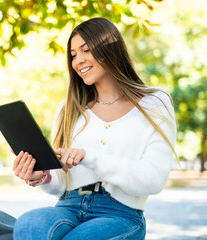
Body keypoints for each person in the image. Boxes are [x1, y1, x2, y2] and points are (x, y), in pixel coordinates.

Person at [12, 17, 177, 240]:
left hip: (120, 213)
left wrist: (89, 157)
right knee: (29, 224)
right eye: (73, 55)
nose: (78, 61)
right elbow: (61, 183)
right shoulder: (68, 108)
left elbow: (153, 179)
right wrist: (42, 175)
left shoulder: (154, 104)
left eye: (86, 50)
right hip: (68, 206)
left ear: (110, 48)